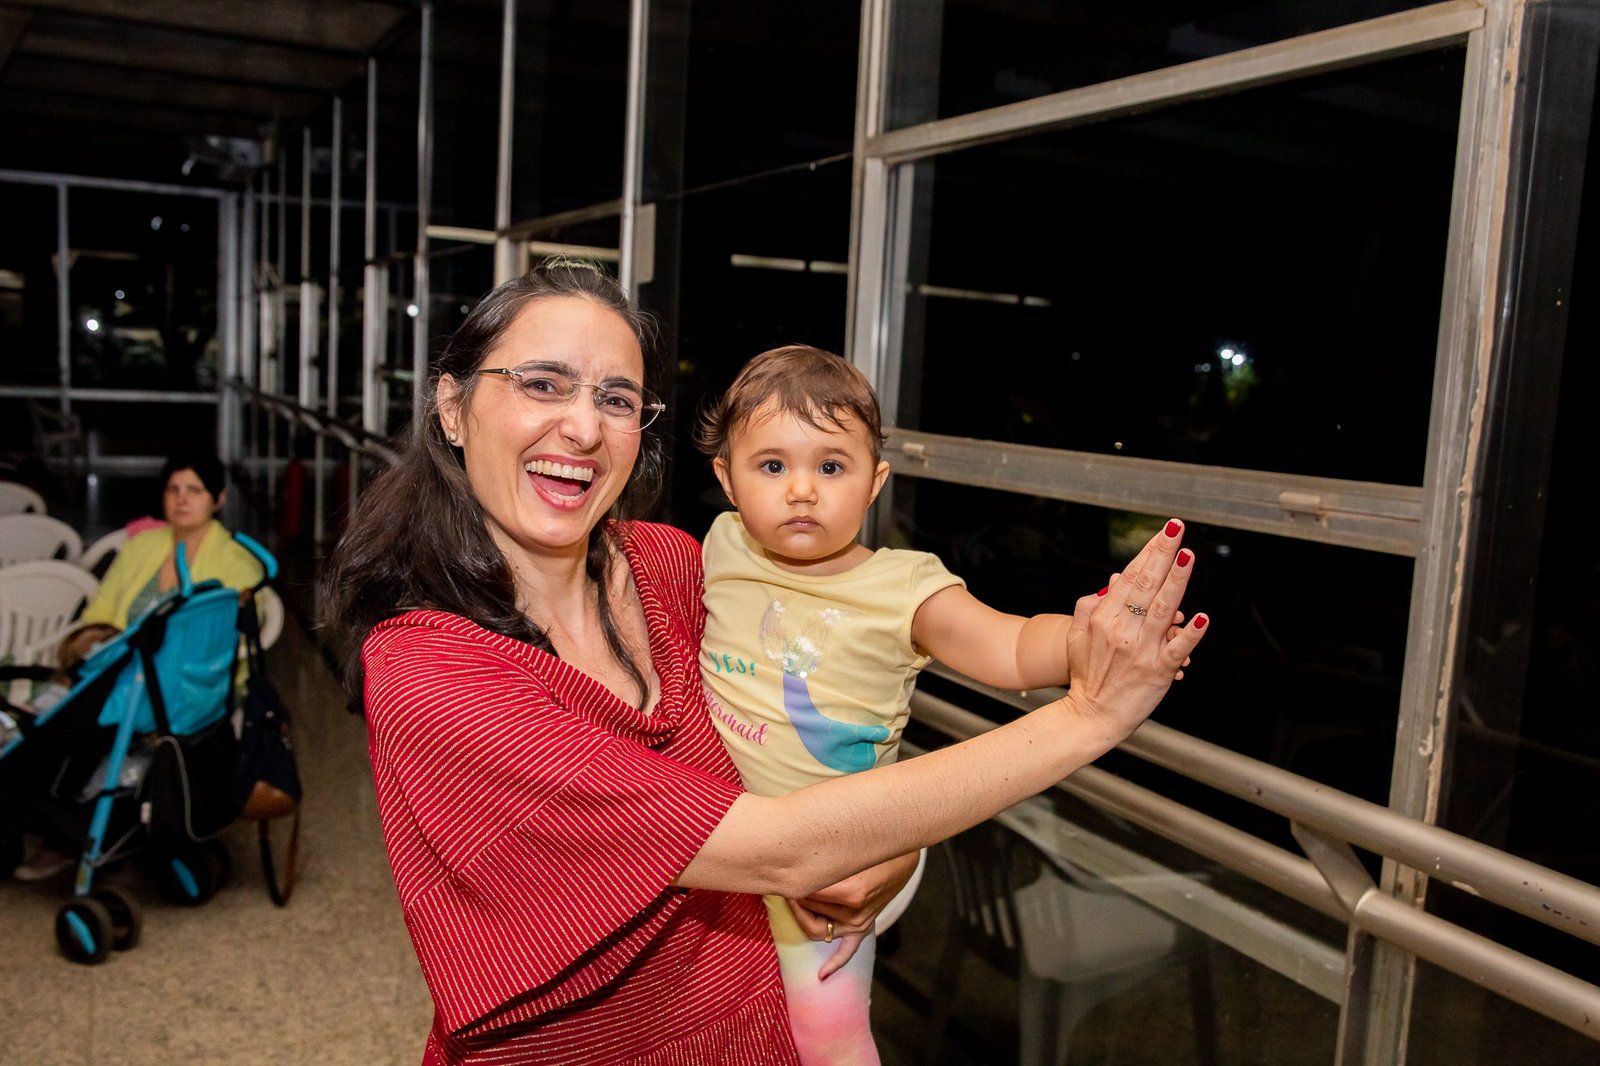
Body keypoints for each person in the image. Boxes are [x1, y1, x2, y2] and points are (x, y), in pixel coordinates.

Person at [320, 261, 1208, 1066]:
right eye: (543, 384)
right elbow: (781, 848)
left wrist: (894, 857)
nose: (583, 426)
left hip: (764, 1028)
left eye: (618, 399)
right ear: (452, 407)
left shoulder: (671, 568)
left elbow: (826, 745)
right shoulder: (432, 669)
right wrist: (1088, 717)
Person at [693, 344, 1197, 1064]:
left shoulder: (904, 587)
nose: (802, 490)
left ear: (874, 482)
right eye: (773, 466)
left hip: (835, 867)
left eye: (831, 467)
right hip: (726, 850)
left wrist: (1092, 636)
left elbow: (1011, 645)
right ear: (727, 478)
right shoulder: (721, 547)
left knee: (826, 1036)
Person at [13, 450, 265, 881]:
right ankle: (53, 817)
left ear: (218, 499)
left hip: (180, 686)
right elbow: (103, 609)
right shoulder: (143, 546)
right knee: (47, 716)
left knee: (69, 723)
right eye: (173, 489)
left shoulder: (236, 564)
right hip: (117, 668)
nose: (181, 499)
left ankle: (71, 829)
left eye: (194, 490)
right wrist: (95, 642)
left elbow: (223, 642)